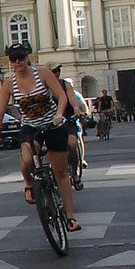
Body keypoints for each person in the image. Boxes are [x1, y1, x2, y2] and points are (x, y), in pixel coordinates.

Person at [0, 43, 81, 232]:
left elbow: (61, 96)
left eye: (20, 58)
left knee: (61, 171)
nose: (17, 62)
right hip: (31, 127)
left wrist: (59, 114)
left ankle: (70, 217)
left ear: (27, 58)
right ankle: (29, 184)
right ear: (10, 62)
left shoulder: (43, 73)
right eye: (13, 59)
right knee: (26, 160)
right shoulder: (9, 84)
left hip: (52, 124)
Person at [45, 62, 84, 190]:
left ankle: (74, 173)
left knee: (72, 144)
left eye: (58, 71)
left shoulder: (65, 84)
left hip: (67, 118)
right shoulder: (44, 87)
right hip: (51, 121)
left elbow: (72, 99)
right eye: (53, 71)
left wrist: (76, 108)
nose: (56, 73)